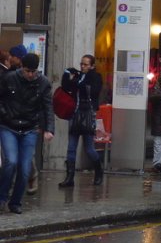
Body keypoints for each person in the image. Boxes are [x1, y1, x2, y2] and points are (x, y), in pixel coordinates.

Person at [0, 53, 54, 214]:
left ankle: (15, 202)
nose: (30, 74)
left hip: (30, 128)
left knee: (24, 170)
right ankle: (2, 197)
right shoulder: (9, 78)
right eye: (27, 71)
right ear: (22, 68)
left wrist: (49, 129)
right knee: (11, 162)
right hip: (9, 126)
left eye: (33, 71)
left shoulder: (43, 83)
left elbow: (48, 107)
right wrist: (5, 114)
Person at [58, 54, 104, 187]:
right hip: (75, 114)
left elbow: (94, 92)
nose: (82, 67)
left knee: (89, 148)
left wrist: (81, 80)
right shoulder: (78, 76)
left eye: (85, 64)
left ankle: (99, 171)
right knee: (71, 148)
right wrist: (67, 73)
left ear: (92, 66)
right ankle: (69, 177)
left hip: (88, 114)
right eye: (81, 64)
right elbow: (66, 87)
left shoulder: (95, 77)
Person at [7, 45, 40, 195]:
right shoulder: (10, 74)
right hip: (11, 121)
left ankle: (30, 178)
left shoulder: (36, 79)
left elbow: (44, 104)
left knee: (25, 159)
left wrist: (44, 125)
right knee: (11, 159)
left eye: (12, 55)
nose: (10, 57)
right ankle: (10, 187)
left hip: (28, 123)